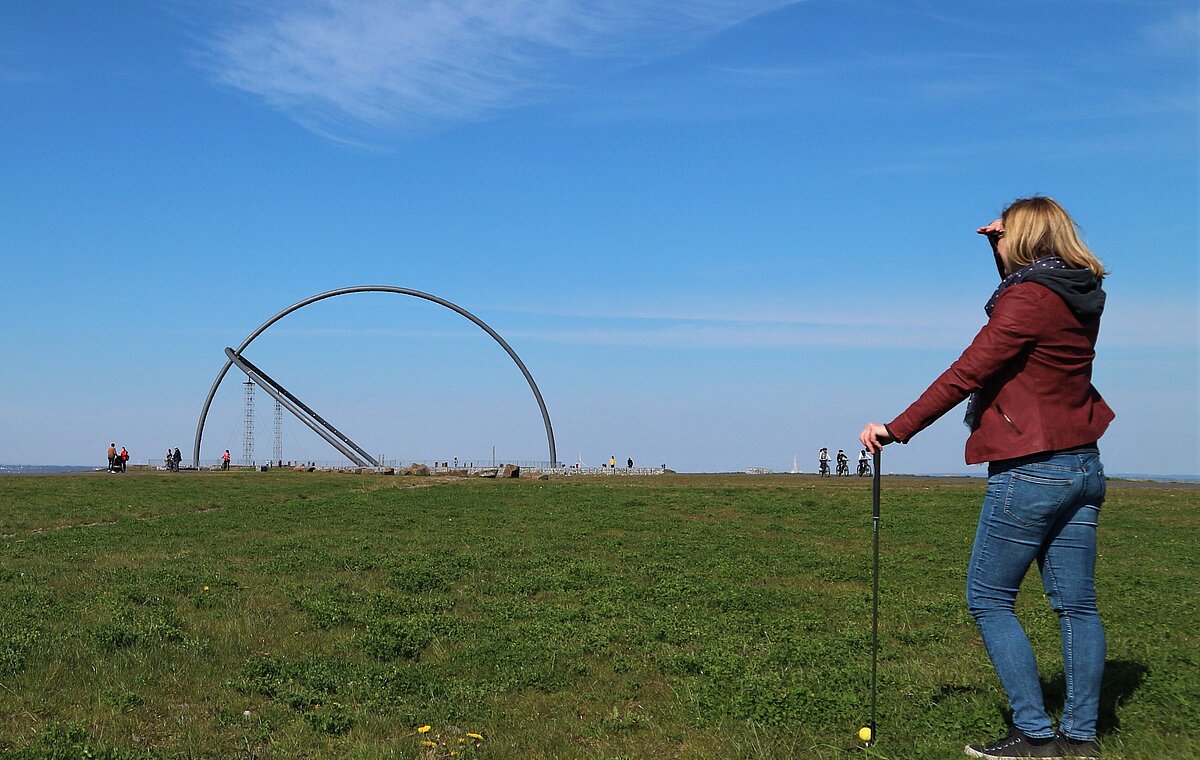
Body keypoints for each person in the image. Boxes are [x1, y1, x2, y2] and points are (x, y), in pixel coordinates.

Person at [859, 197, 1112, 760]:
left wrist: (895, 430)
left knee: (989, 597)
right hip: (1083, 463)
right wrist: (997, 247)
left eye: (1003, 238)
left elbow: (966, 371)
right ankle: (1081, 737)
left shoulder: (1026, 299)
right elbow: (1022, 287)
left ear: (1020, 240)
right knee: (1076, 605)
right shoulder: (1078, 291)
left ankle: (1033, 734)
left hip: (1032, 467)